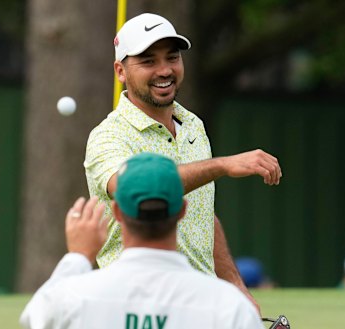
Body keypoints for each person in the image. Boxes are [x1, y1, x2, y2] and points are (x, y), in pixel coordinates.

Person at [84, 13, 282, 313]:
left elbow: (203, 219)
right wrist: (222, 166)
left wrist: (238, 289)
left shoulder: (193, 126)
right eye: (148, 61)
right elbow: (130, 186)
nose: (165, 70)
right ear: (120, 71)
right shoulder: (108, 137)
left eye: (172, 58)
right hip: (135, 308)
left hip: (198, 306)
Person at [20, 153, 264, 329]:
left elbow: (34, 318)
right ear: (182, 210)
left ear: (116, 213)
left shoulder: (73, 296)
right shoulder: (228, 305)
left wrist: (78, 257)